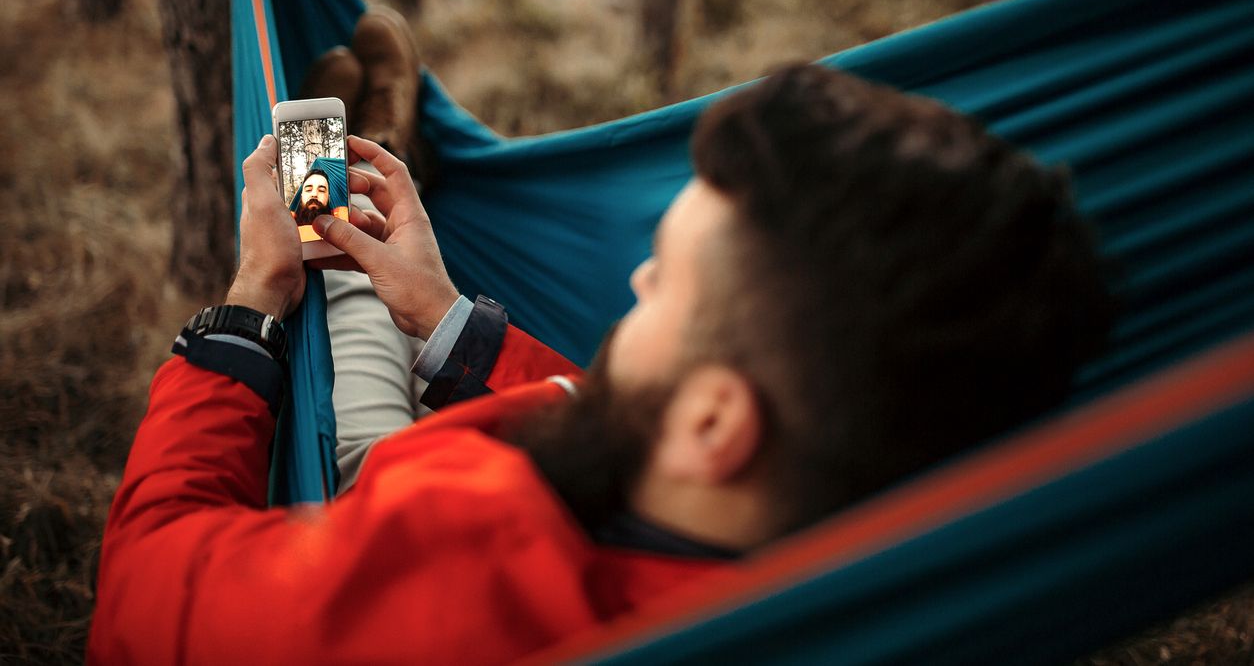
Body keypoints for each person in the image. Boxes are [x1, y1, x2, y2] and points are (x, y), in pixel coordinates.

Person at [88, 65, 1113, 664]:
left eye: (664, 278)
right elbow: (615, 413)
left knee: (341, 317)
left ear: (715, 425)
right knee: (381, 307)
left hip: (376, 524)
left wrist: (250, 301)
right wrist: (449, 316)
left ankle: (351, 137)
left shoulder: (470, 571)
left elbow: (143, 586)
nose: (632, 281)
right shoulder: (898, 599)